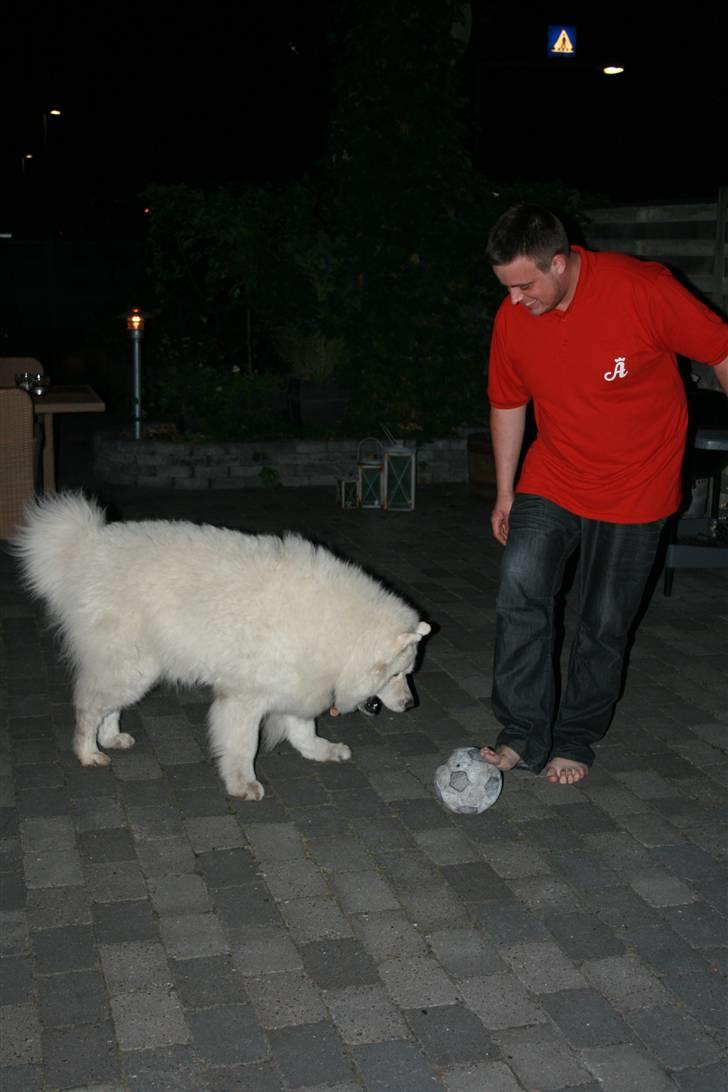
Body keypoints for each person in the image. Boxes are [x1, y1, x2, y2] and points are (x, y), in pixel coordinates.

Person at [480, 204, 728, 785]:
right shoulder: (514, 317)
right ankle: (521, 733)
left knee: (603, 622)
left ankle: (573, 738)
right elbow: (508, 402)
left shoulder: (642, 290)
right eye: (506, 287)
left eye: (525, 284)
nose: (515, 299)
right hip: (555, 475)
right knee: (520, 590)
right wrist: (505, 491)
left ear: (560, 263)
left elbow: (721, 350)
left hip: (636, 487)